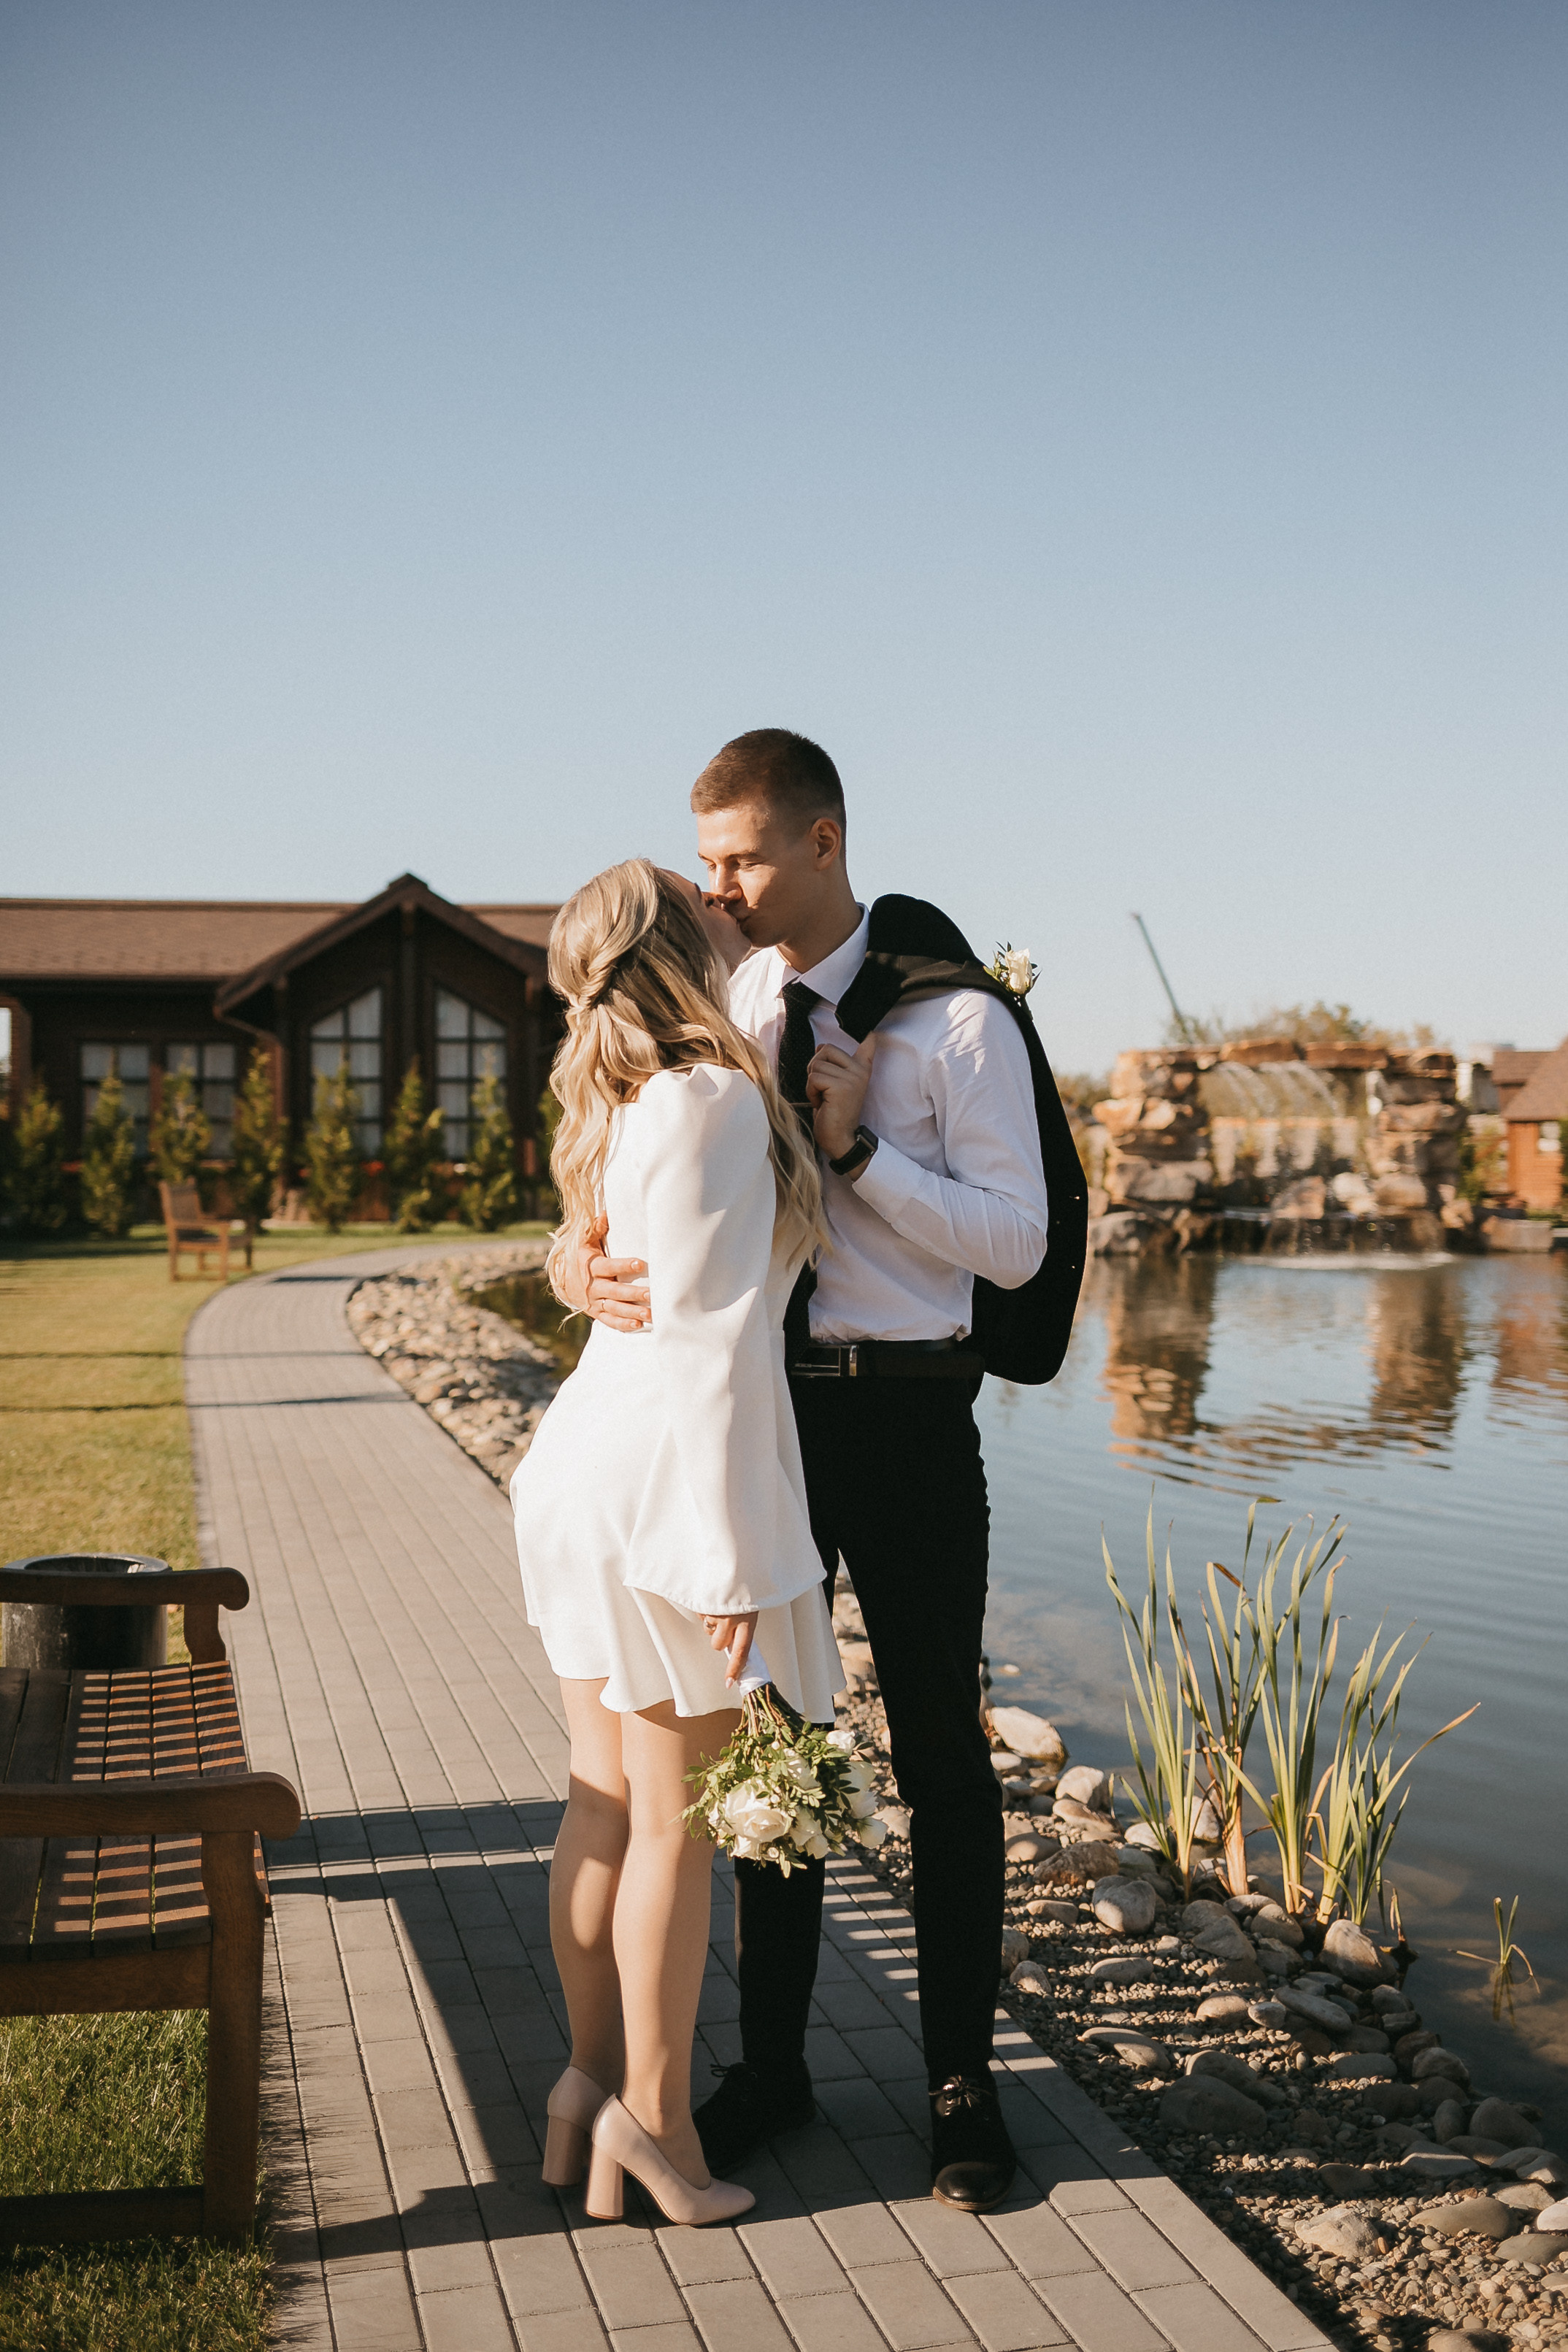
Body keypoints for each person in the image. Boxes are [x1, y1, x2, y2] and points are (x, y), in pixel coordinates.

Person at [580, 730, 1056, 2213]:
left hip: (908, 1424)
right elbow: (629, 1174)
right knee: (772, 1749)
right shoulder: (724, 1008)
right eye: (706, 861)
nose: (717, 887)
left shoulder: (958, 1024)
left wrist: (859, 1159)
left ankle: (963, 2085)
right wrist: (571, 1263)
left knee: (939, 1757)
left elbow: (1018, 1245)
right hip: (767, 1423)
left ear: (824, 842)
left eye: (740, 858)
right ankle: (775, 2067)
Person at [510, 856, 842, 2228]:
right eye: (698, 901)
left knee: (602, 1802)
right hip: (657, 1484)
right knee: (674, 1824)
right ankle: (661, 2129)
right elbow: (710, 1348)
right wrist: (727, 1562)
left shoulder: (619, 1096)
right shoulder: (707, 1098)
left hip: (584, 1469)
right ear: (675, 949)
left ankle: (585, 2088)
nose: (724, 905)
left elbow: (616, 1272)